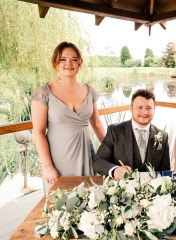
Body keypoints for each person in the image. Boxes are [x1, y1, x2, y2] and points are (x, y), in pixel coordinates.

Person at [31, 42, 106, 193]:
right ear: (56, 63)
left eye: (74, 59)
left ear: (79, 63)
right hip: (58, 158)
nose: (69, 64)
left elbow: (97, 123)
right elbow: (38, 132)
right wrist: (47, 166)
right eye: (63, 59)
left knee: (89, 201)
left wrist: (111, 150)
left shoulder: (89, 90)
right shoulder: (44, 92)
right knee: (60, 204)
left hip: (85, 154)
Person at [93, 89, 170, 180]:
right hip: (121, 189)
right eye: (140, 107)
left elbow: (165, 170)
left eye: (148, 108)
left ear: (154, 109)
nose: (144, 112)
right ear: (131, 108)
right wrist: (115, 170)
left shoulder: (163, 136)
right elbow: (98, 161)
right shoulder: (115, 131)